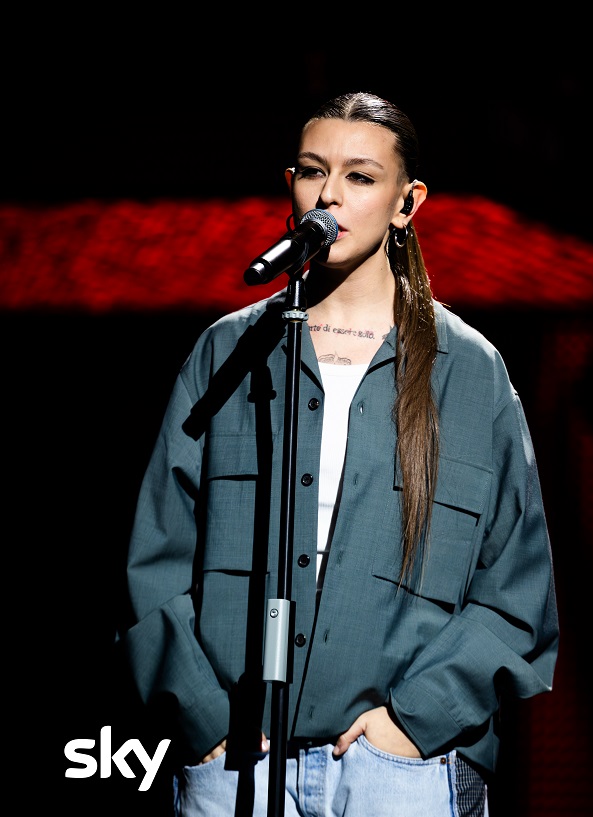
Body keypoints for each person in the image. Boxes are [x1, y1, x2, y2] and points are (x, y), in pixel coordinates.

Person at [120, 91, 559, 817]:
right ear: (289, 186)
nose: (330, 195)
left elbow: (517, 590)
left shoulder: (472, 373)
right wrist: (202, 717)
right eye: (311, 172)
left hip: (401, 770)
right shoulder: (227, 353)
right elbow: (156, 558)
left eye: (360, 176)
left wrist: (411, 726)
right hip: (236, 761)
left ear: (407, 202)